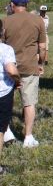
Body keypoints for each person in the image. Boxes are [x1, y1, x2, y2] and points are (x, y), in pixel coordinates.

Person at [1, 0, 46, 147]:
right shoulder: (38, 20)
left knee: (6, 101)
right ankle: (28, 137)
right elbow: (42, 47)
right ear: (26, 4)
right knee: (29, 103)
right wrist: (41, 63)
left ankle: (6, 131)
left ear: (12, 5)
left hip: (9, 68)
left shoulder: (5, 21)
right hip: (29, 67)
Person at [0, 19, 20, 174]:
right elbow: (12, 71)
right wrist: (18, 81)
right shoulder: (6, 49)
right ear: (2, 32)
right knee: (0, 130)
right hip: (3, 93)